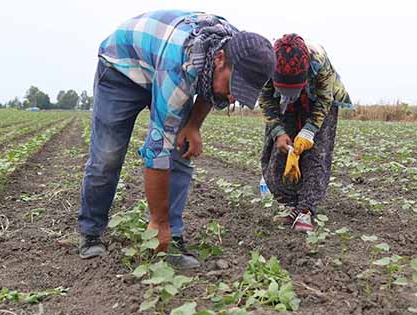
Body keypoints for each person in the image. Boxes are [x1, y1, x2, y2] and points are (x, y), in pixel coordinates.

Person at [77, 10, 275, 269]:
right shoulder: (180, 67)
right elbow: (157, 151)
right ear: (219, 59)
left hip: (164, 60)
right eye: (233, 87)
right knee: (108, 156)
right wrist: (157, 221)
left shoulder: (240, 49)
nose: (232, 98)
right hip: (121, 69)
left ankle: (172, 238)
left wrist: (193, 125)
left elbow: (210, 86)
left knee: (182, 149)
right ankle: (91, 231)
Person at [259, 34, 352, 232]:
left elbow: (324, 100)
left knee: (317, 153)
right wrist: (278, 131)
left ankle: (306, 210)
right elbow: (266, 98)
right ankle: (292, 206)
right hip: (283, 105)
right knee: (279, 153)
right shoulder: (266, 63)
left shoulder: (318, 60)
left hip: (319, 100)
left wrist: (309, 131)